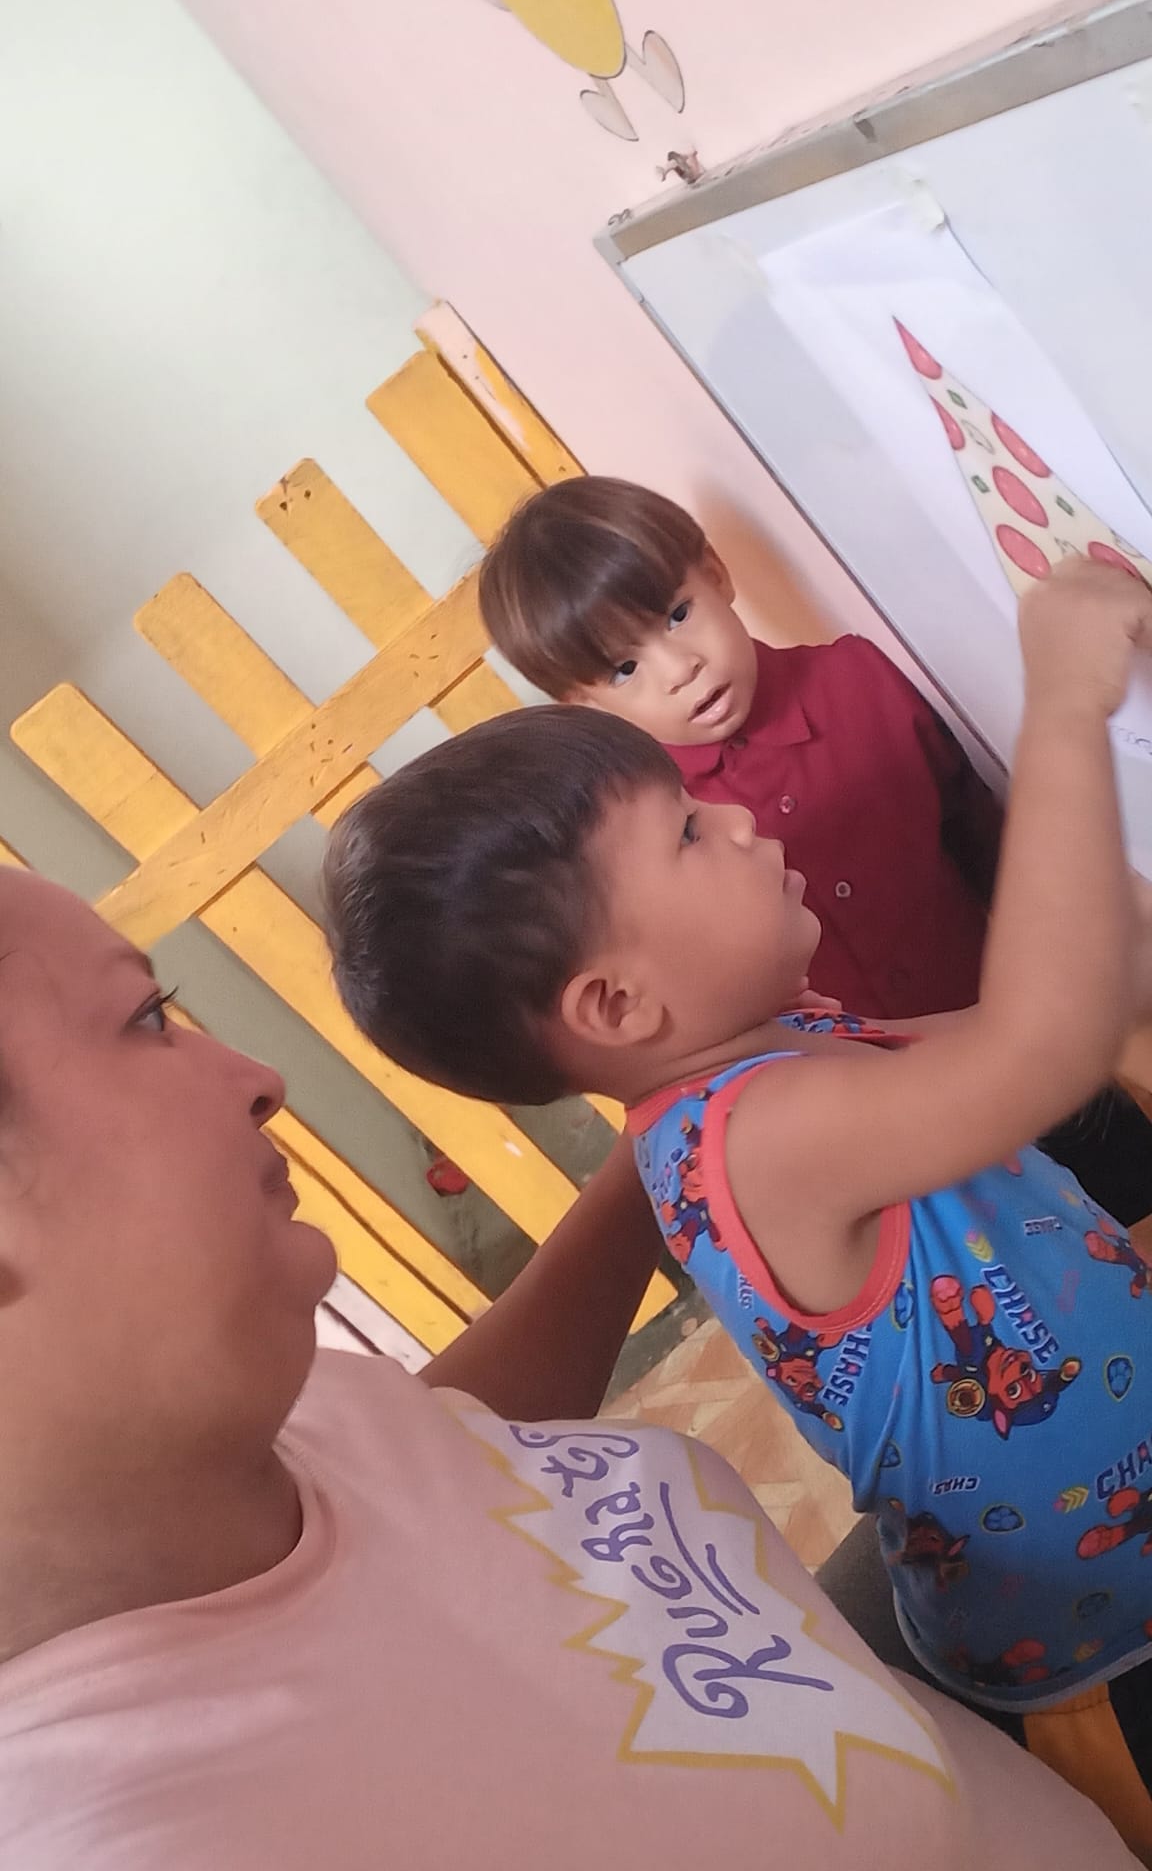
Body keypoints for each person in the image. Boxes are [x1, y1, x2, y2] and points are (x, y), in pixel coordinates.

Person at [0, 878, 1135, 1870]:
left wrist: (679, 1108)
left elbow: (435, 1444)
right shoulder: (156, 1835)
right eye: (146, 1017)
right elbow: (1046, 1043)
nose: (261, 1078)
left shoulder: (259, 1435)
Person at [324, 557, 1152, 1848]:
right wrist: (1061, 702)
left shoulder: (774, 1054)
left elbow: (998, 1039)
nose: (744, 822)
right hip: (1106, 1636)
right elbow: (1042, 1044)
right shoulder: (761, 1138)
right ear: (618, 1004)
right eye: (690, 834)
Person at [479, 476, 1152, 1221]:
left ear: (715, 574)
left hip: (1023, 1038)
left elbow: (989, 842)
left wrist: (1082, 951)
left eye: (677, 615)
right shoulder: (659, 844)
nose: (679, 668)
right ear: (586, 706)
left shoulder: (861, 677)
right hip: (880, 1134)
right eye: (624, 669)